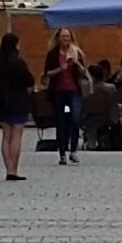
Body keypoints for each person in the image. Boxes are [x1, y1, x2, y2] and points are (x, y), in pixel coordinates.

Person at [0, 29, 36, 180]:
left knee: (6, 136)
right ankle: (14, 170)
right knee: (17, 135)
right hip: (19, 99)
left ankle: (8, 168)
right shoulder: (18, 63)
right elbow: (30, 81)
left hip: (3, 99)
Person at [47, 32, 88, 165]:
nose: (66, 39)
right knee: (62, 121)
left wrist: (77, 64)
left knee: (75, 119)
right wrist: (61, 69)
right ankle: (62, 152)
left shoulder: (76, 53)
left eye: (68, 36)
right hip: (59, 91)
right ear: (58, 38)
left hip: (73, 91)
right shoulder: (53, 54)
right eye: (63, 36)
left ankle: (73, 150)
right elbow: (47, 73)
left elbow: (84, 72)